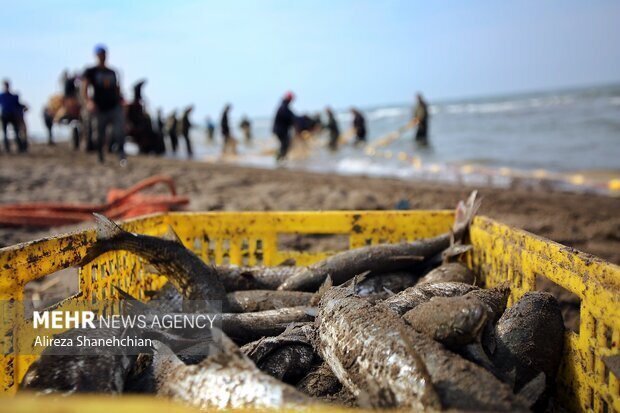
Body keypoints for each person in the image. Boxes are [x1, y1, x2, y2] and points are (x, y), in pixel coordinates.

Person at [81, 44, 126, 164]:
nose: (102, 56)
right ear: (96, 55)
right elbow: (84, 88)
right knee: (99, 133)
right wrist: (89, 102)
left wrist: (121, 100)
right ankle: (100, 155)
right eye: (100, 54)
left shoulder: (112, 72)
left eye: (104, 54)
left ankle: (121, 155)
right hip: (99, 107)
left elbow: (117, 88)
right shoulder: (91, 71)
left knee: (119, 130)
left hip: (114, 105)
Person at [0, 80, 27, 153]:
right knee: (5, 133)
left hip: (13, 116)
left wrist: (24, 107)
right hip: (4, 115)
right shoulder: (1, 96)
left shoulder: (14, 96)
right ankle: (7, 149)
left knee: (16, 131)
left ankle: (20, 148)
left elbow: (18, 105)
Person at [272, 91, 296, 161]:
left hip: (280, 130)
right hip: (280, 130)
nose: (291, 101)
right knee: (285, 144)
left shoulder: (284, 106)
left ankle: (280, 158)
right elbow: (288, 117)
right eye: (291, 99)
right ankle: (279, 159)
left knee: (285, 144)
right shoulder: (283, 107)